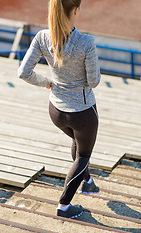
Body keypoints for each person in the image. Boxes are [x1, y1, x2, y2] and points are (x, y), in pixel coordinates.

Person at [18, 0, 101, 218]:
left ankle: (88, 182)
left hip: (56, 110)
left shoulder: (42, 37)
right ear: (76, 10)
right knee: (83, 154)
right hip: (82, 112)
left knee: (77, 142)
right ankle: (64, 205)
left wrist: (47, 82)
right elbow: (94, 81)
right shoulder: (86, 42)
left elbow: (23, 72)